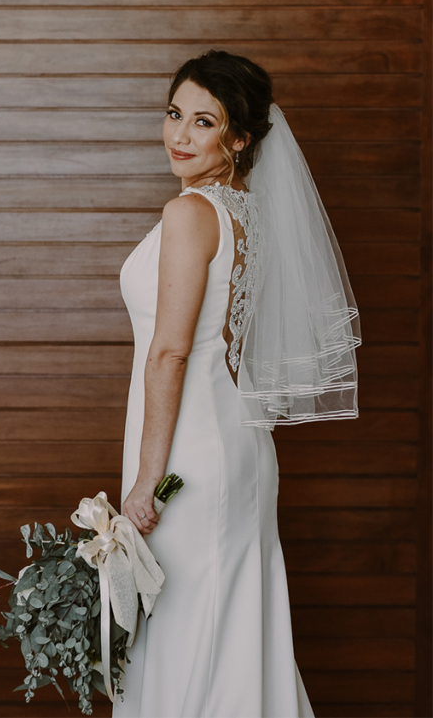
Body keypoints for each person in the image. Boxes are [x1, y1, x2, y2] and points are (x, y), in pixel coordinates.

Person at [116, 51, 360, 717]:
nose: (179, 135)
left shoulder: (190, 212)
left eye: (203, 122)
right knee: (227, 626)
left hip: (187, 453)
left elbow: (169, 353)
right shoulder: (243, 211)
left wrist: (145, 477)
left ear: (241, 138)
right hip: (235, 442)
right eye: (174, 114)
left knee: (190, 624)